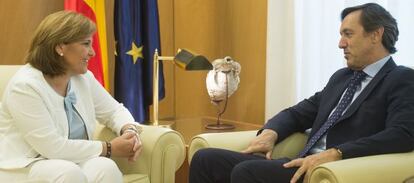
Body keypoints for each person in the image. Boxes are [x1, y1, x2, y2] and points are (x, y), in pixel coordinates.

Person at [189, 3, 414, 183]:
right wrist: (270, 132)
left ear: (376, 35)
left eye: (348, 34)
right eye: (341, 35)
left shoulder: (401, 79)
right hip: (301, 163)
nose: (340, 43)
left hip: (335, 170)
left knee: (247, 172)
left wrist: (337, 153)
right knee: (205, 159)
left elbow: (402, 134)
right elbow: (299, 113)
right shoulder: (342, 78)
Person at [0, 11, 143, 183]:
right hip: (24, 166)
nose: (92, 53)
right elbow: (51, 147)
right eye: (86, 44)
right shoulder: (24, 87)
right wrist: (110, 148)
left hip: (69, 162)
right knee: (67, 173)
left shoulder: (83, 78)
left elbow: (114, 111)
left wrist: (129, 130)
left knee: (106, 167)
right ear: (60, 47)